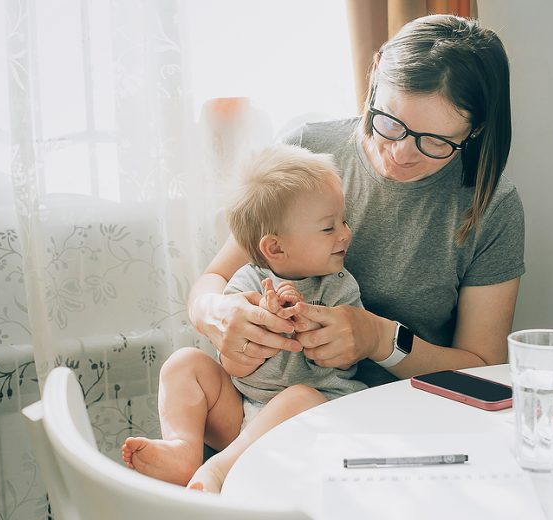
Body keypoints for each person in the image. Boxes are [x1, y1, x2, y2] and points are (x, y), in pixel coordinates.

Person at [186, 13, 524, 391]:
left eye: (435, 142)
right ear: (376, 72)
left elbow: (483, 374)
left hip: (402, 418)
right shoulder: (306, 152)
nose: (401, 153)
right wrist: (217, 313)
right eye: (390, 122)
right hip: (262, 405)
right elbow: (212, 281)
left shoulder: (490, 206)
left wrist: (381, 340)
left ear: (475, 130)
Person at [121, 144, 366, 492]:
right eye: (329, 228)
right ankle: (183, 450)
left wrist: (303, 319)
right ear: (275, 248)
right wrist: (251, 340)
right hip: (244, 412)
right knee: (183, 362)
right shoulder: (245, 284)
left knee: (300, 395)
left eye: (343, 221)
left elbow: (343, 355)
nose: (345, 233)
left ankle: (220, 469)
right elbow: (234, 366)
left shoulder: (339, 286)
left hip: (312, 414)